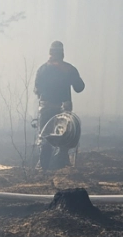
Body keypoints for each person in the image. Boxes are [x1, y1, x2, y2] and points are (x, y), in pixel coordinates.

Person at [34, 41, 85, 170]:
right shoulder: (69, 69)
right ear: (62, 54)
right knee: (65, 136)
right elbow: (79, 87)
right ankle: (61, 164)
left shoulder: (42, 69)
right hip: (64, 108)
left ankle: (43, 166)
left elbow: (37, 90)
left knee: (44, 136)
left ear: (50, 53)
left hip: (45, 107)